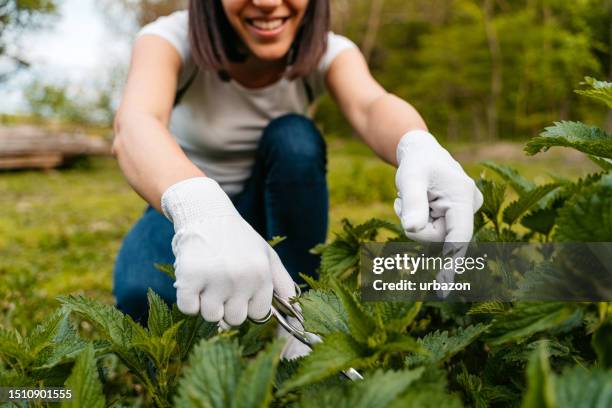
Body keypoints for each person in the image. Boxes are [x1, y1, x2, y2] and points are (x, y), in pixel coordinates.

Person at [112, 0, 483, 354]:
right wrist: (198, 207)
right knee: (140, 295)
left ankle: (299, 313)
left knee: (295, 138)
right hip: (194, 215)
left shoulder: (328, 51)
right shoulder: (169, 39)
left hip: (275, 208)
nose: (268, 3)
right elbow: (137, 122)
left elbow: (371, 105)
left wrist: (417, 144)